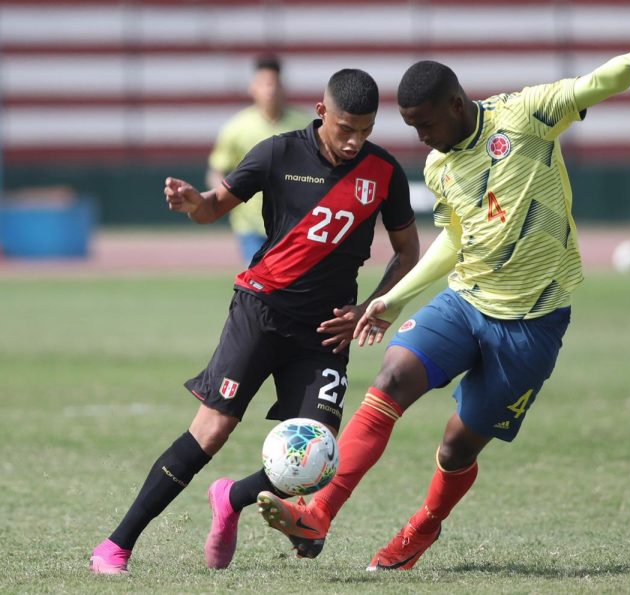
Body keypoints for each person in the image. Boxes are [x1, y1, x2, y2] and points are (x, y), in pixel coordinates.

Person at [256, 46, 630, 570]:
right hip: (466, 301)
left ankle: (423, 527)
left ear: (455, 105)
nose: (420, 137)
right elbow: (457, 238)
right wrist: (392, 298)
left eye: (425, 124)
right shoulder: (439, 166)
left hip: (531, 324)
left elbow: (588, 85)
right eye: (411, 127)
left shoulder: (524, 116)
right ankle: (317, 512)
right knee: (391, 378)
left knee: (457, 447)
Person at [89, 68, 420, 574]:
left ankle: (231, 498)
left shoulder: (384, 172)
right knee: (213, 431)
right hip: (260, 312)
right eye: (345, 128)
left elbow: (407, 252)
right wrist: (193, 204)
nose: (355, 141)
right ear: (321, 113)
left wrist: (371, 306)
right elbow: (211, 209)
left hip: (325, 332)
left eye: (366, 129)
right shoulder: (277, 153)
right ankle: (116, 545)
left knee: (318, 457)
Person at [207, 54, 310, 264]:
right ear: (252, 88)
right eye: (264, 84)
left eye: (274, 83)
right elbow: (217, 170)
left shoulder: (305, 125)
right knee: (256, 278)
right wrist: (222, 199)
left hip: (294, 224)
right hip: (250, 225)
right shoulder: (236, 128)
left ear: (283, 87)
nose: (270, 90)